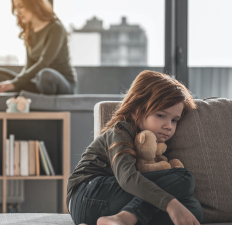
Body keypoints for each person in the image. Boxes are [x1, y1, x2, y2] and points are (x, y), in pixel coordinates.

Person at [67, 70, 203, 225]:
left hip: (107, 206)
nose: (168, 126)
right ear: (137, 110)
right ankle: (125, 217)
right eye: (161, 115)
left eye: (174, 120)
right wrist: (171, 204)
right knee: (183, 177)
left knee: (192, 209)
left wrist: (176, 207)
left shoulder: (157, 146)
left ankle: (117, 221)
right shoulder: (120, 131)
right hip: (87, 195)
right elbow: (127, 178)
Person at [0, 0, 77, 95]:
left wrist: (15, 83)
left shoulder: (56, 28)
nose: (18, 11)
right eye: (16, 7)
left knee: (45, 75)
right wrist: (14, 83)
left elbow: (44, 62)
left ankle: (31, 95)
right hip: (40, 84)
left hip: (60, 83)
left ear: (33, 4)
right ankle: (33, 95)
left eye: (21, 6)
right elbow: (29, 66)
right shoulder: (29, 31)